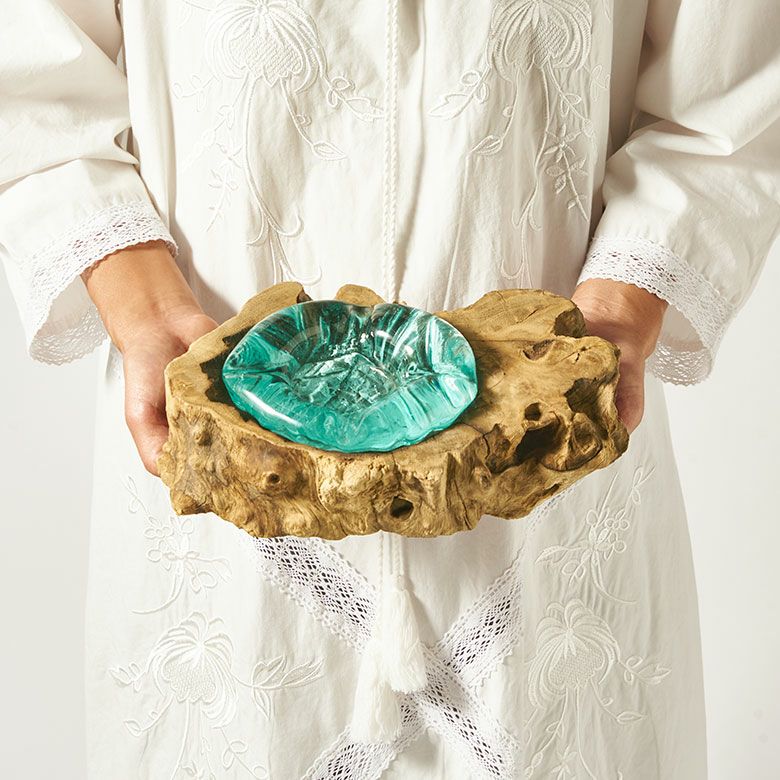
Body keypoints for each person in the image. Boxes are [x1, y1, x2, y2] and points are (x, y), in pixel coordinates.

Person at [1, 0, 778, 777]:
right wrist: (140, 300)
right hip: (225, 471)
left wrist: (622, 305)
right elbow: (29, 62)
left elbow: (729, 93)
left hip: (545, 473)